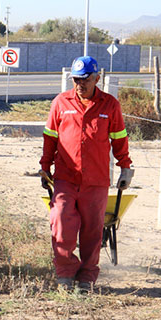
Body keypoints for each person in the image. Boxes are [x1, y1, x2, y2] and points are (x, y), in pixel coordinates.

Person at [39, 56, 134, 291]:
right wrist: (44, 166)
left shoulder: (110, 105)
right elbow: (50, 137)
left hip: (96, 180)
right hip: (65, 178)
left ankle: (86, 279)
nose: (80, 85)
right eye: (76, 80)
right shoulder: (61, 103)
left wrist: (125, 167)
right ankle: (65, 274)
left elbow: (119, 138)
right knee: (60, 222)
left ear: (97, 78)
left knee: (92, 232)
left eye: (86, 80)